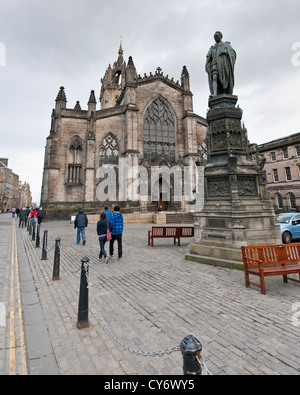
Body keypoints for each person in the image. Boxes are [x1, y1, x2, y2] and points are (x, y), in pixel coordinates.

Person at [205, 31, 236, 97]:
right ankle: (215, 93)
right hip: (214, 64)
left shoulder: (226, 45)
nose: (215, 38)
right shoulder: (212, 48)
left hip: (223, 65)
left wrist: (226, 52)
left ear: (220, 36)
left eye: (217, 36)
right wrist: (207, 65)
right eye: (214, 37)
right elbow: (208, 58)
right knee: (214, 77)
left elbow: (233, 53)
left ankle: (225, 93)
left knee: (224, 79)